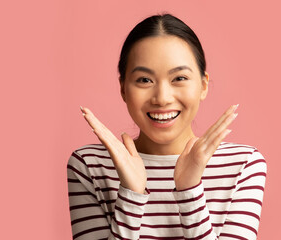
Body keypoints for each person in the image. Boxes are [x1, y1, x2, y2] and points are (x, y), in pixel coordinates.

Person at [67, 13, 267, 240]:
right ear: (123, 88)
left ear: (203, 85)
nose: (162, 98)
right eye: (144, 80)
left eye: (179, 78)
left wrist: (190, 190)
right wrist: (131, 195)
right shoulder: (90, 166)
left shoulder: (243, 165)